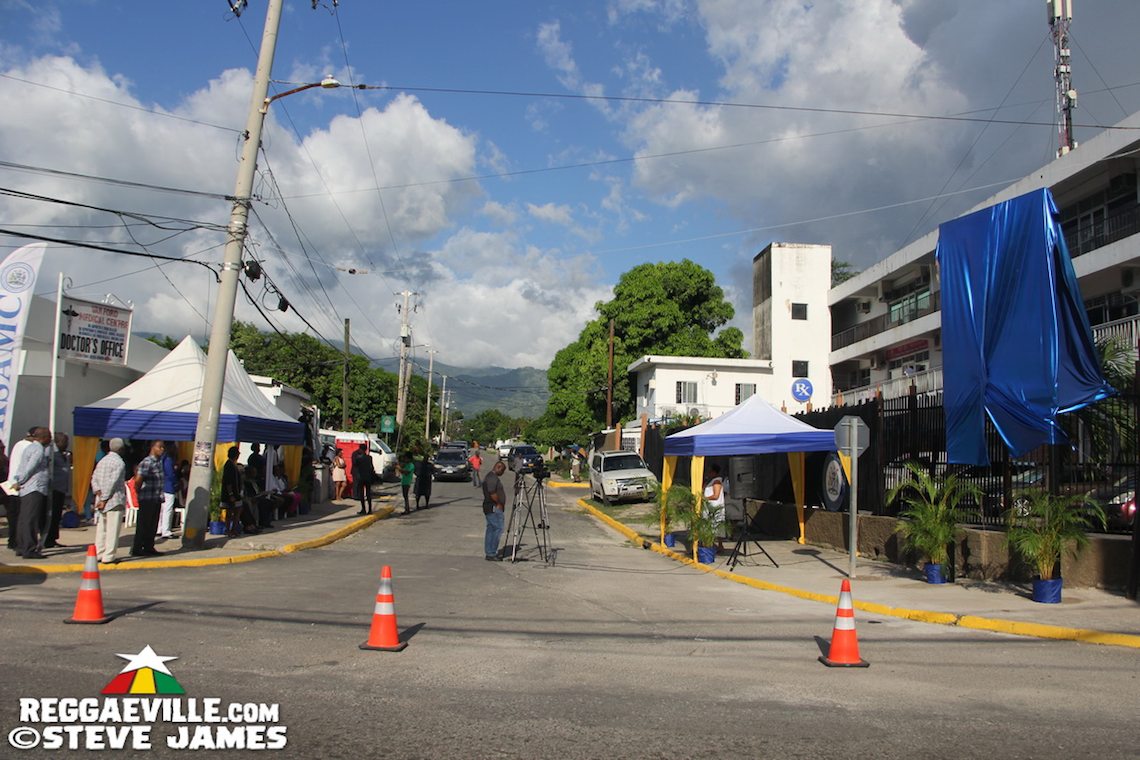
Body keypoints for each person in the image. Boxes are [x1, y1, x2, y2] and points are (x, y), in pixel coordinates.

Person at [12, 427, 51, 559]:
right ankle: (29, 548)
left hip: (26, 488)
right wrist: (20, 481)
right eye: (49, 436)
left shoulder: (29, 448)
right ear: (44, 437)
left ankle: (21, 546)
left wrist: (19, 480)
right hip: (34, 488)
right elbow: (30, 468)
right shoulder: (38, 450)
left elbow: (22, 466)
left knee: (24, 519)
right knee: (30, 520)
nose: (50, 439)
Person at [90, 438, 128, 564]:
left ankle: (98, 552)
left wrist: (98, 491)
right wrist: (104, 498)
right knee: (113, 529)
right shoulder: (119, 463)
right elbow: (112, 482)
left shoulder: (102, 461)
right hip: (113, 500)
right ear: (121, 449)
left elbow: (94, 477)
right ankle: (109, 556)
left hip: (101, 499)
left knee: (102, 528)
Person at [131, 440, 165, 557]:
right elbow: (138, 479)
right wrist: (138, 491)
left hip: (156, 498)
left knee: (153, 525)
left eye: (162, 447)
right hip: (147, 498)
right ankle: (137, 548)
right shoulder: (147, 462)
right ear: (152, 447)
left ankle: (149, 547)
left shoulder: (159, 462)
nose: (162, 449)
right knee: (143, 524)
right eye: (159, 447)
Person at [6, 427, 36, 551]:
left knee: (13, 516)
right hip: (20, 486)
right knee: (20, 517)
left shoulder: (18, 444)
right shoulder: (28, 447)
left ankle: (13, 541)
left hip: (12, 485)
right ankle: (16, 542)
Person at [45, 432, 71, 549]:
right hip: (53, 489)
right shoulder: (51, 452)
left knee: (57, 516)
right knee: (51, 515)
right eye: (64, 442)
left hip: (61, 489)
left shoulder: (63, 453)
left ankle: (53, 538)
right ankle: (47, 539)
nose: (66, 444)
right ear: (57, 441)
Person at [482, 460, 508, 560]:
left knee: (491, 528)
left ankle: (489, 552)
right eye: (502, 471)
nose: (502, 473)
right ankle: (491, 552)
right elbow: (492, 493)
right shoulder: (492, 478)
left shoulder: (491, 477)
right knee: (498, 528)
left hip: (490, 507)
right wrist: (499, 503)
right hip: (493, 507)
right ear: (499, 468)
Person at [156, 441, 177, 540]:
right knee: (168, 509)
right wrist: (175, 482)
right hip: (168, 486)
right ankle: (166, 530)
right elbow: (170, 474)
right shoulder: (168, 459)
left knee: (162, 509)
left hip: (162, 486)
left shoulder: (161, 459)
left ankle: (159, 529)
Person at [703, 463, 727, 552]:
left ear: (714, 472)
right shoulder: (710, 481)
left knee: (716, 526)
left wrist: (705, 498)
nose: (708, 473)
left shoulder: (717, 482)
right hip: (709, 507)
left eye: (710, 471)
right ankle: (714, 544)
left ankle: (718, 545)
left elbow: (716, 495)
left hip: (715, 507)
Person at [221, 446, 243, 536]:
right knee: (230, 512)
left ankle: (234, 528)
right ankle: (229, 529)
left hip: (236, 492)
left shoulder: (233, 464)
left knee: (237, 510)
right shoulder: (229, 465)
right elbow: (228, 481)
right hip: (231, 494)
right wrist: (231, 495)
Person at [351, 442, 374, 515]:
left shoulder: (358, 458)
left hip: (361, 477)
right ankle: (370, 510)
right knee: (368, 494)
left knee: (361, 494)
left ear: (360, 449)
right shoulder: (369, 458)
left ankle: (363, 509)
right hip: (368, 477)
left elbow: (354, 465)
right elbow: (372, 467)